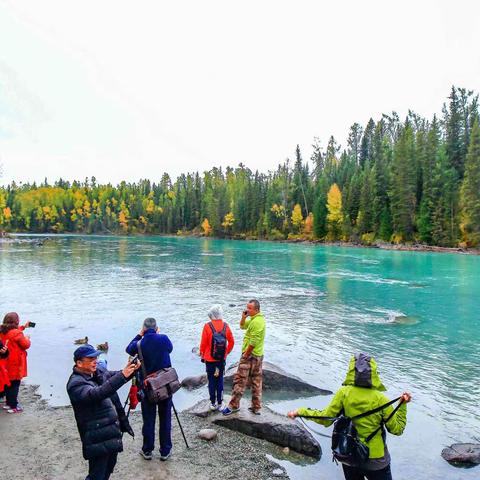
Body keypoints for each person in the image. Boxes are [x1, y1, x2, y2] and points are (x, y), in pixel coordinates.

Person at [287, 353, 412, 480]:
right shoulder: (382, 399)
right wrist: (402, 405)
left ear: (351, 371)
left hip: (349, 455)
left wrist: (301, 412)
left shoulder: (344, 393)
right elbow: (397, 429)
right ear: (374, 373)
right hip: (376, 461)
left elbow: (325, 419)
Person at [66, 344, 139, 480]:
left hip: (109, 431)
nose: (95, 361)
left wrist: (131, 370)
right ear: (79, 363)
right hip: (95, 436)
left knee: (108, 469)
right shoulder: (75, 384)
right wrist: (123, 375)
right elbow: (97, 394)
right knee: (96, 475)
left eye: (96, 357)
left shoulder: (96, 372)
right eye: (91, 358)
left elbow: (114, 377)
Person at [126, 317, 174, 461]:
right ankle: (165, 451)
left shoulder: (139, 344)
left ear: (144, 328)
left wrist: (139, 334)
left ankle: (147, 450)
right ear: (156, 327)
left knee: (148, 419)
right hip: (165, 385)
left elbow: (128, 349)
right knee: (165, 418)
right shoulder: (164, 339)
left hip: (147, 387)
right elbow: (170, 349)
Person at [222, 299, 266, 416]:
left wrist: (246, 355)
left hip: (250, 355)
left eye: (250, 308)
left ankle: (233, 406)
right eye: (247, 307)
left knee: (240, 380)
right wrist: (243, 317)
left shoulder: (257, 322)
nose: (247, 310)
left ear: (257, 309)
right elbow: (242, 326)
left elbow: (254, 341)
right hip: (258, 355)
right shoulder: (255, 319)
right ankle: (256, 407)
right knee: (256, 381)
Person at [199, 305, 235, 411]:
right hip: (220, 360)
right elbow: (232, 342)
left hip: (210, 360)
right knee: (219, 379)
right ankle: (220, 403)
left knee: (211, 380)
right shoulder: (226, 326)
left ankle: (213, 403)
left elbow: (203, 343)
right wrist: (226, 353)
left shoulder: (207, 326)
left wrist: (202, 354)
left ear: (212, 315)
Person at [0, 312, 31, 413]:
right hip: (15, 362)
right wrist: (27, 338)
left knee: (8, 383)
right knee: (15, 384)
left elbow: (13, 333)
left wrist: (23, 327)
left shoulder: (2, 330)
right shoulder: (17, 333)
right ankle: (13, 406)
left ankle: (8, 403)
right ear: (16, 321)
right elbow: (26, 345)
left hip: (5, 361)